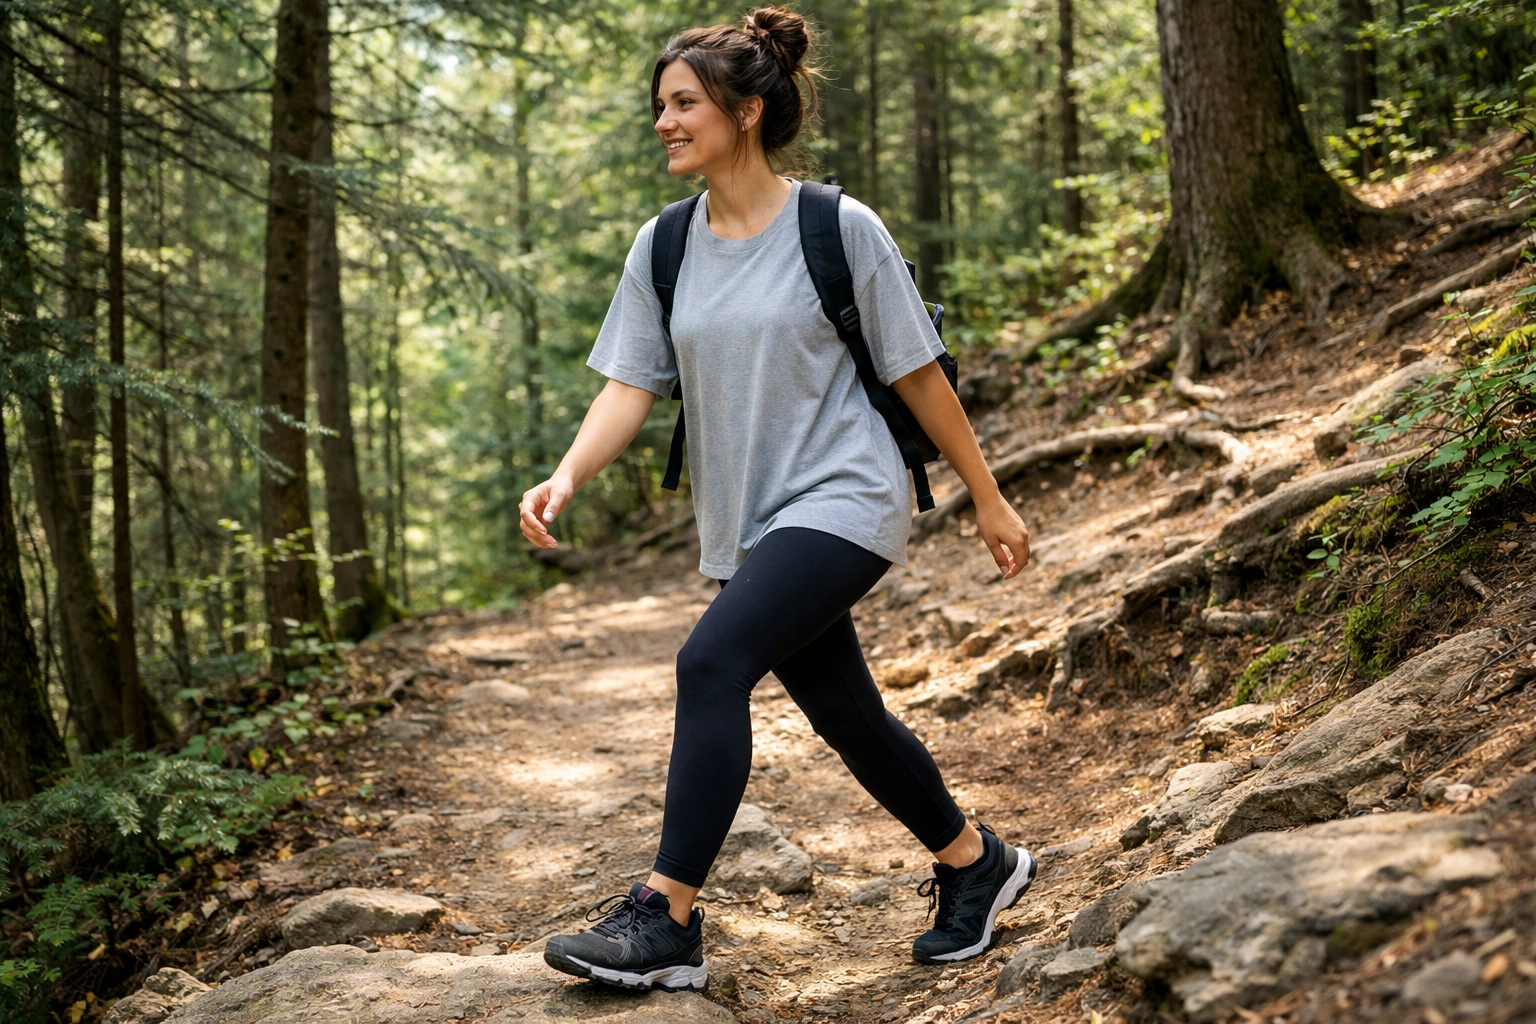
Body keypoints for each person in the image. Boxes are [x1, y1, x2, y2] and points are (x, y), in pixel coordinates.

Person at [519, 6, 1035, 993]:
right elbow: (630, 383)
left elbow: (919, 372)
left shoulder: (836, 227)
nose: (663, 122)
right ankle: (978, 863)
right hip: (750, 523)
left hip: (847, 494)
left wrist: (989, 497)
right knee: (848, 714)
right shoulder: (664, 246)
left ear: (746, 111)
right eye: (657, 107)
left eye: (683, 104)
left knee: (710, 660)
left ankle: (665, 917)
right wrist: (568, 476)